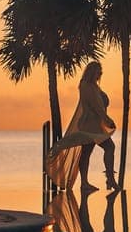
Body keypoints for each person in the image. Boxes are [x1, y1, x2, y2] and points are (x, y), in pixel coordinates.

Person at [46, 61, 118, 191]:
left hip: (94, 126)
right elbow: (96, 107)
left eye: (101, 73)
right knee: (109, 147)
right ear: (92, 72)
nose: (100, 75)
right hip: (90, 126)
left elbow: (99, 104)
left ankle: (86, 183)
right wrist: (107, 120)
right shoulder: (87, 86)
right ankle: (109, 179)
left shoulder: (92, 86)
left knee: (86, 153)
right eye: (98, 72)